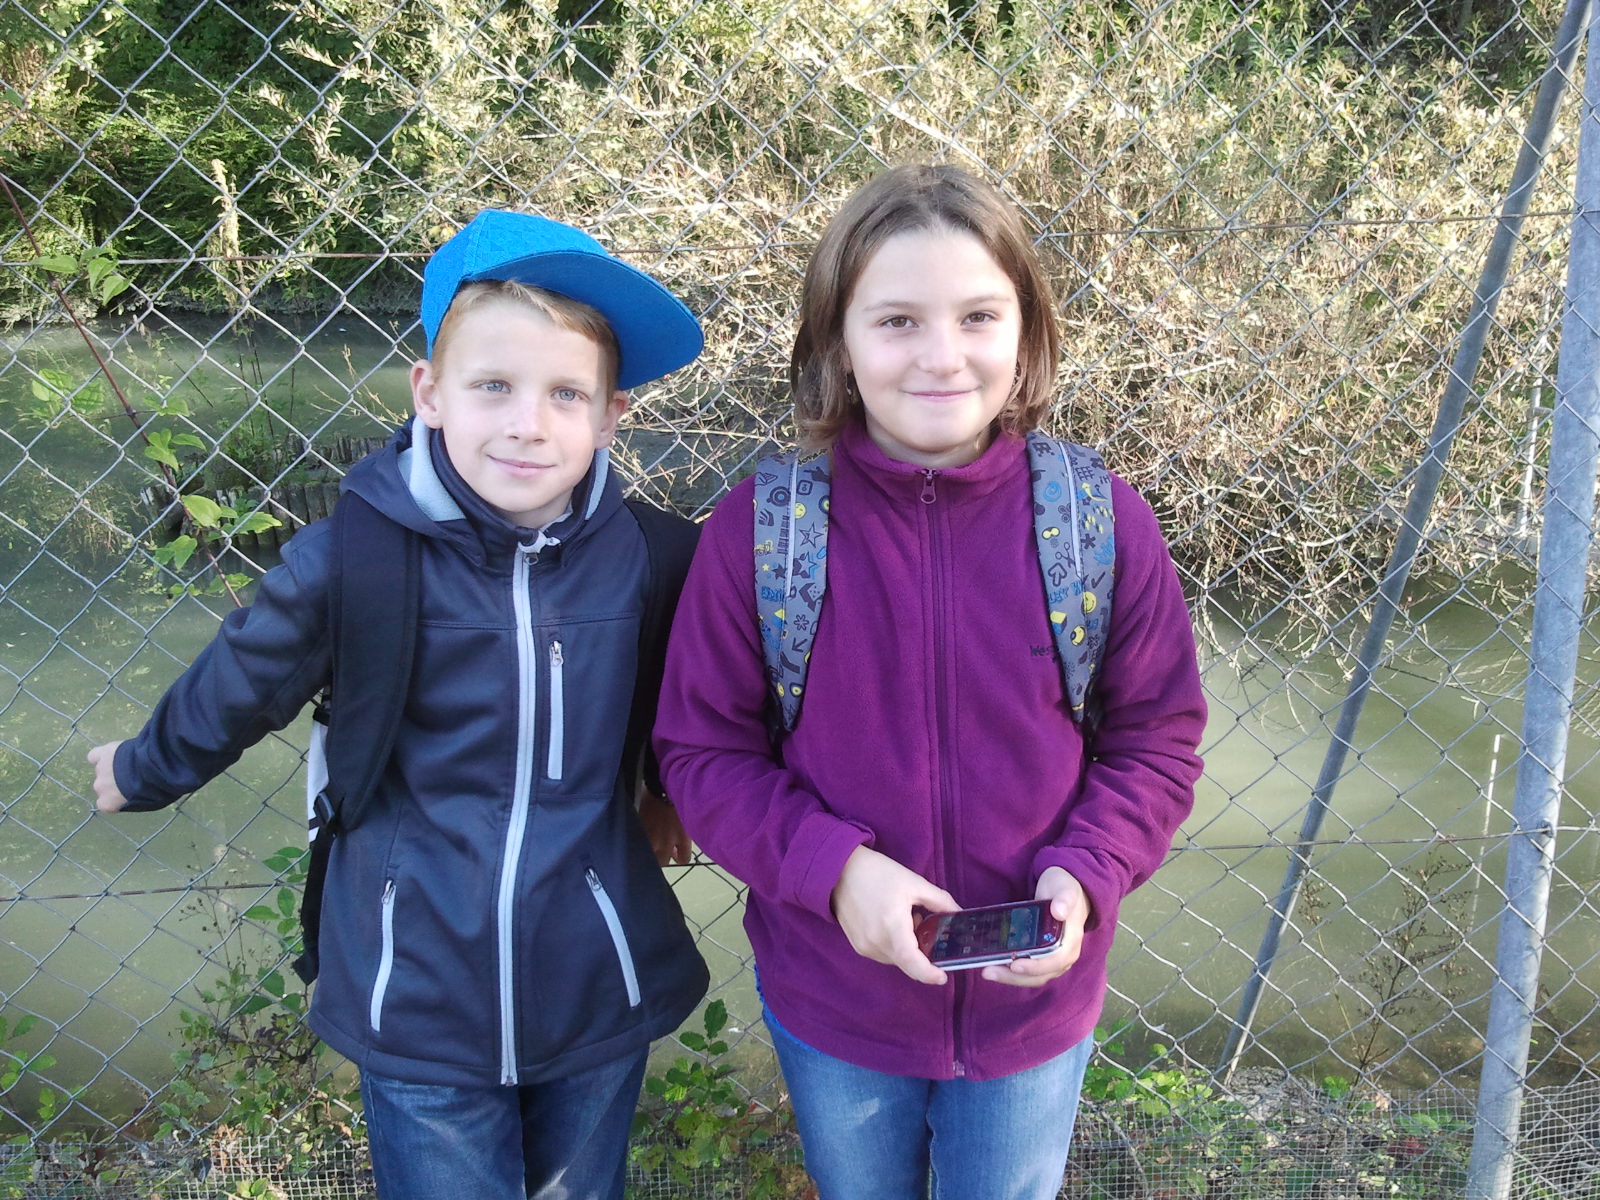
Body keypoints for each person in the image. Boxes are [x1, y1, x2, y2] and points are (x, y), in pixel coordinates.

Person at [87, 209, 711, 1200]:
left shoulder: (657, 556)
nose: (528, 422)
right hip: (414, 979)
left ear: (610, 415)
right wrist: (143, 768)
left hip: (594, 969)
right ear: (430, 392)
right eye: (493, 386)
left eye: (565, 393)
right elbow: (245, 674)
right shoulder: (357, 555)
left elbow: (707, 703)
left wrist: (671, 792)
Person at [653, 164, 1206, 1200]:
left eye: (978, 317)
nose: (942, 356)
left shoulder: (1100, 524)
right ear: (838, 343)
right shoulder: (759, 533)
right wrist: (835, 872)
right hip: (837, 1002)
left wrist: (1089, 869)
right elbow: (702, 752)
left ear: (1026, 336)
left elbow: (1157, 741)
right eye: (898, 320)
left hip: (1032, 1005)